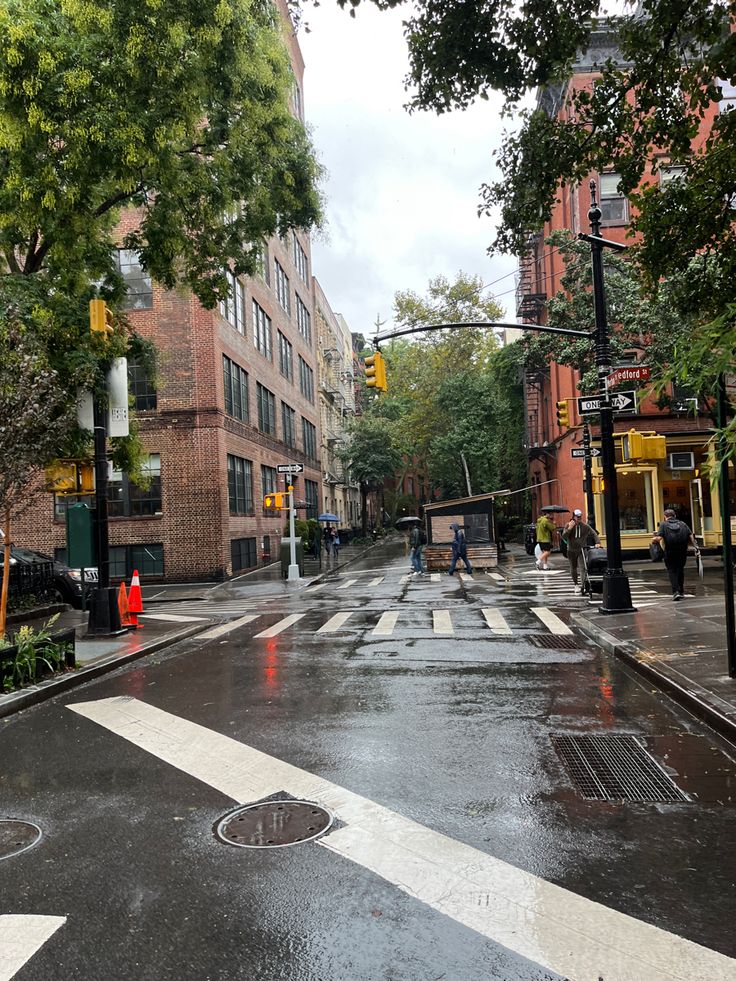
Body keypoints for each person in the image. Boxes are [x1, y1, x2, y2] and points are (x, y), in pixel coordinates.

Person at [652, 508, 698, 601]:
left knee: (672, 571)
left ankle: (676, 592)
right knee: (680, 570)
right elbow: (690, 536)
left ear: (665, 517)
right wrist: (696, 547)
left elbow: (659, 538)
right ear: (675, 515)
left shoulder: (663, 525)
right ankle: (681, 591)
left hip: (670, 551)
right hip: (682, 551)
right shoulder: (683, 524)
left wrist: (653, 539)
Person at [562, 509, 600, 594]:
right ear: (573, 517)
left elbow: (594, 533)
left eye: (580, 517)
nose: (579, 519)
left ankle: (583, 585)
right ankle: (576, 584)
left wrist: (598, 542)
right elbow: (564, 537)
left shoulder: (585, 526)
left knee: (583, 567)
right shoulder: (568, 525)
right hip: (571, 550)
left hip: (581, 549)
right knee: (573, 568)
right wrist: (569, 529)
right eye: (577, 517)